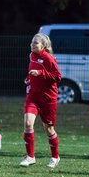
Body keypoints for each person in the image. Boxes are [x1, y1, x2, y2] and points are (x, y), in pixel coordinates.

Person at [19, 33, 62, 168]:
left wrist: (41, 73)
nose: (32, 44)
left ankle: (55, 157)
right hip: (33, 96)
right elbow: (32, 70)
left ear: (43, 45)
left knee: (49, 129)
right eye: (32, 42)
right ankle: (30, 157)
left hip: (48, 98)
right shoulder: (31, 56)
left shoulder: (48, 58)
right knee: (28, 123)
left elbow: (57, 77)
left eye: (35, 43)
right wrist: (29, 78)